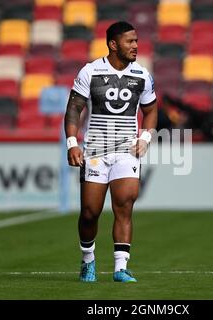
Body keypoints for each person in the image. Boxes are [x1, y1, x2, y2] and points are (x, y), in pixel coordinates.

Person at [64, 21, 158, 283]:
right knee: (90, 212)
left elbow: (151, 110)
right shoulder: (90, 71)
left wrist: (146, 137)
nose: (136, 46)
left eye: (137, 41)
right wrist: (72, 143)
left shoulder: (142, 75)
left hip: (126, 151)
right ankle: (87, 260)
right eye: (130, 41)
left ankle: (120, 268)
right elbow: (74, 108)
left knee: (125, 205)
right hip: (95, 150)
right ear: (113, 44)